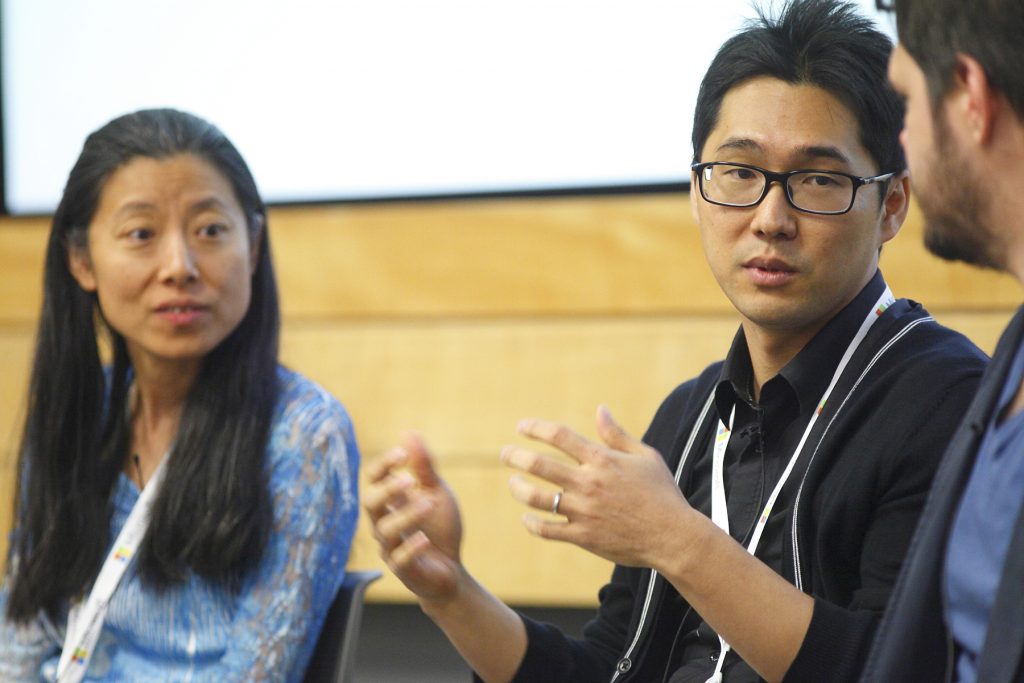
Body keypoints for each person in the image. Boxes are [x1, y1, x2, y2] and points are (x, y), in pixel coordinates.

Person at [365, 1, 988, 682]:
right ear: (696, 190)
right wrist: (451, 593)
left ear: (891, 204)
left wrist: (674, 537)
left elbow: (894, 666)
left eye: (816, 180)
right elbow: (608, 667)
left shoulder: (947, 400)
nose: (770, 218)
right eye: (739, 173)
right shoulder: (691, 416)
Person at [0, 109, 360, 682]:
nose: (179, 267)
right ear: (81, 260)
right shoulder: (79, 412)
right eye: (141, 235)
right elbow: (20, 642)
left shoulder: (303, 434)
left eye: (210, 231)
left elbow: (256, 674)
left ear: (253, 244)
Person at [860, 2, 1024, 682]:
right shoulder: (1011, 357)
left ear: (970, 97)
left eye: (906, 101)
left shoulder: (943, 383)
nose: (904, 138)